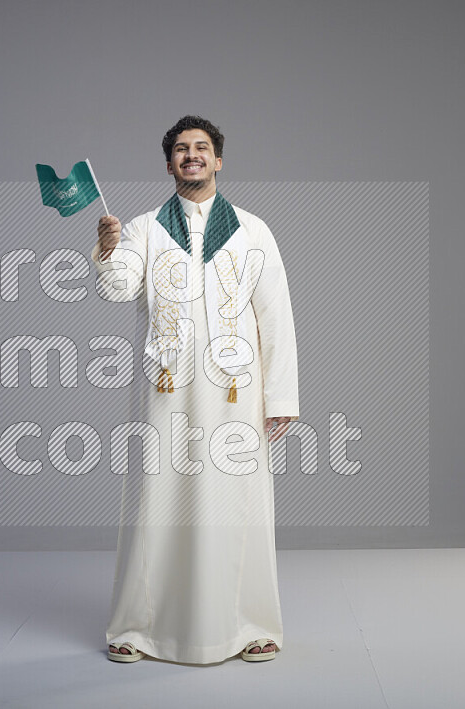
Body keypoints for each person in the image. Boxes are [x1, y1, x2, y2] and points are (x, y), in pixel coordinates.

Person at [91, 115, 299, 664]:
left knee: (240, 505)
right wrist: (108, 249)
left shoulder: (254, 231)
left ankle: (251, 625)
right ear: (168, 165)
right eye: (181, 150)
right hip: (166, 391)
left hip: (236, 391)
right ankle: (138, 629)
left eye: (201, 148)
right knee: (155, 504)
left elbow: (276, 317)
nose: (192, 156)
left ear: (218, 160)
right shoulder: (142, 228)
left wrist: (280, 400)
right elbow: (117, 290)